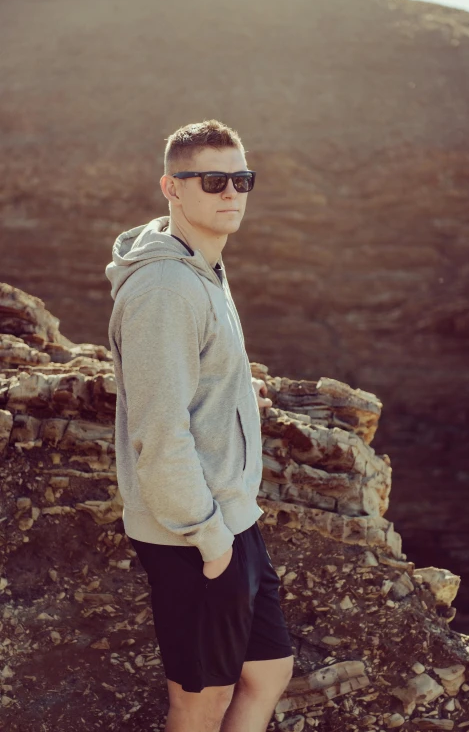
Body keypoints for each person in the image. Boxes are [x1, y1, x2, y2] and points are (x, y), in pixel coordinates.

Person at [105, 119, 294, 731]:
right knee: (199, 701)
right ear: (172, 187)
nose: (231, 193)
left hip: (235, 515)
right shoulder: (164, 288)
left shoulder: (203, 266)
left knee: (268, 672)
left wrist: (238, 390)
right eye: (213, 180)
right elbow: (159, 436)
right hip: (193, 533)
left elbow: (196, 375)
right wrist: (210, 541)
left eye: (242, 179)